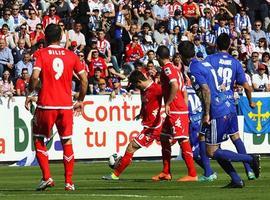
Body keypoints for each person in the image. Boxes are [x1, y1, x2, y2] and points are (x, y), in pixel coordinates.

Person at [179, 40, 260, 188]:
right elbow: (222, 83)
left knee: (212, 151)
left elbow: (205, 90)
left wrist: (207, 113)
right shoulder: (205, 63)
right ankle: (235, 179)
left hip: (216, 110)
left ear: (181, 56)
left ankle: (249, 159)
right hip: (226, 106)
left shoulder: (193, 68)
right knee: (214, 146)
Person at [24, 24, 88, 191]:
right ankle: (69, 182)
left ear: (45, 37)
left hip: (46, 104)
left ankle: (47, 177)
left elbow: (35, 76)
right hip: (66, 106)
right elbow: (84, 80)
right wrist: (80, 100)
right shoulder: (71, 55)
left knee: (38, 139)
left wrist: (30, 91)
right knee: (67, 140)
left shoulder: (41, 53)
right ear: (61, 37)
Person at [205, 33, 259, 180]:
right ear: (229, 46)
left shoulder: (209, 60)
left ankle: (249, 160)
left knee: (212, 150)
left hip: (217, 107)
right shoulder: (235, 62)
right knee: (236, 137)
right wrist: (250, 102)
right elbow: (247, 87)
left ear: (216, 44)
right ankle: (249, 171)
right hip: (231, 106)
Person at [102, 70, 163, 180]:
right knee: (166, 144)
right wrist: (141, 112)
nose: (135, 87)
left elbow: (171, 93)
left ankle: (115, 175)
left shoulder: (156, 88)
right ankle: (167, 172)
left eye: (135, 85)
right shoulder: (144, 90)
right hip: (148, 126)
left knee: (131, 147)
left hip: (153, 128)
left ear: (139, 82)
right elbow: (144, 102)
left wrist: (170, 107)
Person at [152, 45, 197, 182]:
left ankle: (192, 174)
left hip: (176, 108)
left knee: (183, 139)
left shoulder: (167, 69)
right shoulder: (176, 69)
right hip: (178, 108)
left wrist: (168, 103)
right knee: (164, 137)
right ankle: (166, 172)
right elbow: (182, 90)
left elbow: (175, 86)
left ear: (158, 57)